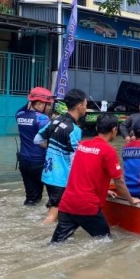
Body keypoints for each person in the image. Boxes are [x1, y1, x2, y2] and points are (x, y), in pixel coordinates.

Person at [51, 114, 140, 243]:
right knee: (107, 243)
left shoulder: (82, 145)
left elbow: (84, 173)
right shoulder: (108, 151)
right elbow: (119, 181)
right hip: (87, 207)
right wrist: (130, 200)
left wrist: (105, 190)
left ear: (97, 127)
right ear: (114, 130)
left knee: (56, 245)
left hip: (66, 204)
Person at [35, 89, 87, 224]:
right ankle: (37, 238)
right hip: (61, 178)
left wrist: (53, 147)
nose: (86, 108)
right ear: (80, 106)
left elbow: (37, 140)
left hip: (48, 174)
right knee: (52, 215)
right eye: (86, 104)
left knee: (58, 210)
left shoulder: (55, 121)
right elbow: (75, 159)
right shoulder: (75, 130)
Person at [16, 87, 54, 206]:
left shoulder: (20, 115)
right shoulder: (42, 118)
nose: (48, 108)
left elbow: (21, 109)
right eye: (47, 105)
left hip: (24, 162)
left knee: (32, 198)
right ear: (38, 104)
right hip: (39, 162)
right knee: (53, 197)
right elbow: (50, 140)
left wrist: (31, 98)